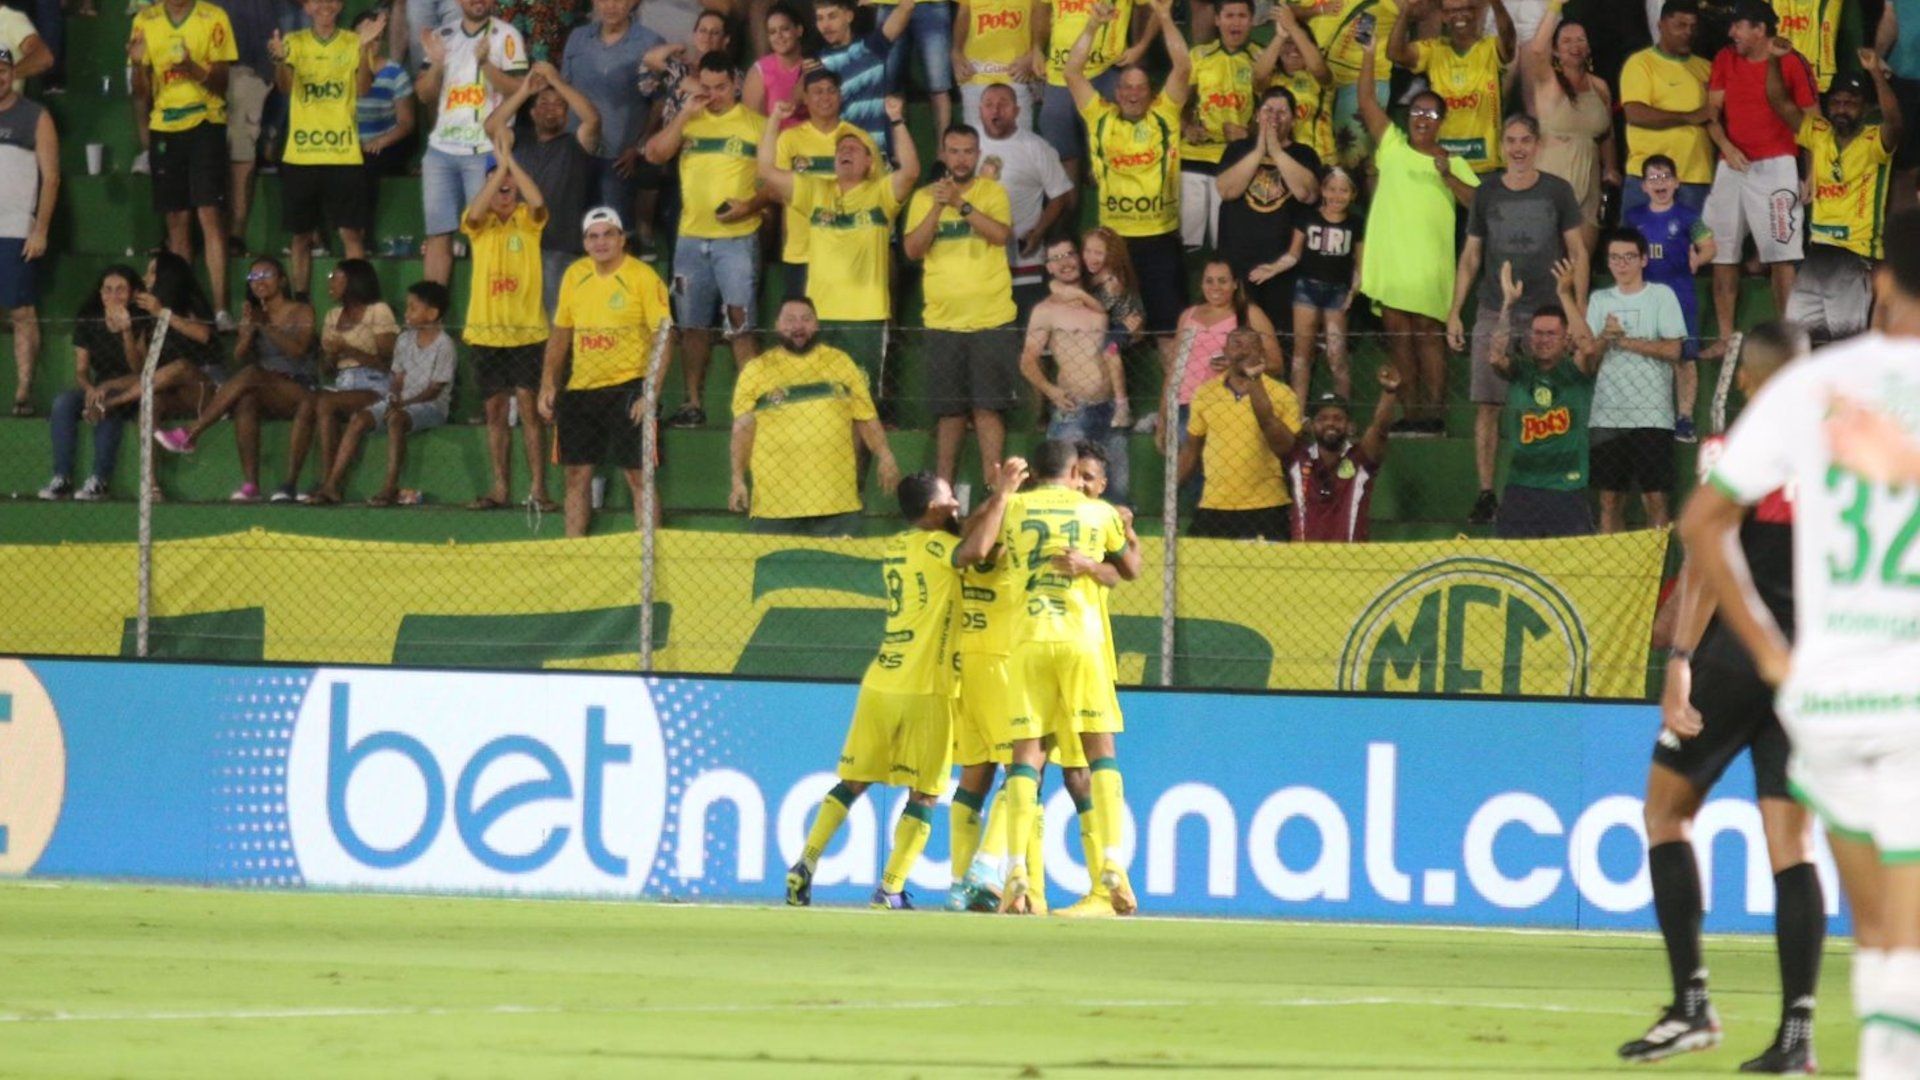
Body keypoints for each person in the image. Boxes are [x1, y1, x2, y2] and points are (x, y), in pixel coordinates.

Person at [1678, 205, 1920, 1080]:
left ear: (1879, 282)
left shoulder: (1814, 386)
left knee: (1881, 934)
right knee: (1906, 935)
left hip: (1834, 694)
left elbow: (1702, 525)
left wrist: (1771, 655)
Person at [1620, 321, 1822, 1072]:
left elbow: (1710, 559)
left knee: (1665, 814)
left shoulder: (1738, 449)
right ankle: (1797, 1035)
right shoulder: (1844, 456)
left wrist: (1680, 661)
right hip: (1809, 668)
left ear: (1747, 378)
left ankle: (1692, 1005)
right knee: (1792, 845)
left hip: (1736, 659)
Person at [784, 464, 1019, 910]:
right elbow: (975, 548)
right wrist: (1004, 496)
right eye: (950, 498)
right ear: (933, 508)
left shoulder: (900, 544)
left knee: (853, 782)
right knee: (925, 794)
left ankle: (805, 863)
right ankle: (890, 888)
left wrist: (993, 500)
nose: (957, 504)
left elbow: (962, 533)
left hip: (880, 682)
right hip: (926, 687)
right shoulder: (941, 548)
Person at [992, 439, 1141, 915]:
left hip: (1029, 639)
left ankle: (1017, 869)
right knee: (1100, 753)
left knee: (1025, 758)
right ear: (1075, 471)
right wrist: (1116, 540)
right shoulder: (1099, 514)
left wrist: (1001, 492)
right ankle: (1112, 861)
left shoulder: (1014, 507)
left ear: (1035, 472)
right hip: (1082, 642)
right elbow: (1129, 569)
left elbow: (981, 549)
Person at [1445, 113, 1584, 525]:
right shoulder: (1486, 192)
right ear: (1502, 145)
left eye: (1525, 140)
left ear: (1537, 144)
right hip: (1495, 308)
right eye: (1511, 140)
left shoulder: (1558, 190)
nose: (1518, 148)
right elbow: (1471, 256)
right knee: (1488, 405)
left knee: (1550, 401)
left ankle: (1554, 488)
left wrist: (1578, 313)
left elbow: (1578, 251)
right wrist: (1455, 311)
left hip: (1548, 312)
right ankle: (1487, 493)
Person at [756, 96, 920, 403]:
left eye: (854, 149)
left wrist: (897, 120)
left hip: (866, 316)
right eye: (840, 149)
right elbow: (766, 170)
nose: (845, 151)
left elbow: (910, 171)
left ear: (870, 162)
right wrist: (775, 119)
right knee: (817, 398)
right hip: (819, 315)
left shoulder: (881, 194)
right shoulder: (815, 191)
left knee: (860, 400)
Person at [1354, 42, 1477, 435]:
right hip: (1392, 262)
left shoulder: (1453, 161)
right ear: (1408, 118)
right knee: (1399, 338)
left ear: (1442, 121)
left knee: (1428, 334)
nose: (1423, 118)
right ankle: (1411, 416)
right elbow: (1366, 99)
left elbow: (1477, 203)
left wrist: (1447, 176)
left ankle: (1434, 417)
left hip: (1429, 265)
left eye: (1431, 113)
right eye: (1417, 111)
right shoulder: (1391, 143)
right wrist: (1369, 53)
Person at [645, 50, 764, 428]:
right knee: (691, 326)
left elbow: (774, 183)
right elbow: (654, 154)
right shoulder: (689, 120)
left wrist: (750, 205)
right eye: (707, 87)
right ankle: (692, 403)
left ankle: (751, 406)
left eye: (721, 87)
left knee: (740, 325)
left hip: (737, 240)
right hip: (690, 239)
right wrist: (683, 116)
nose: (714, 95)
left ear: (736, 84)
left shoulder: (756, 124)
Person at [539, 206, 673, 537]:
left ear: (622, 239)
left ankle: (648, 554)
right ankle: (574, 553)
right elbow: (561, 333)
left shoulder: (643, 277)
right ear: (585, 243)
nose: (600, 242)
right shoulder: (575, 275)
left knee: (639, 477)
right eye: (593, 236)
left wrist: (650, 392)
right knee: (575, 476)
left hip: (629, 385)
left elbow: (664, 336)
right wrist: (548, 383)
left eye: (608, 235)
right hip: (581, 389)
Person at [1066, 0, 1190, 343]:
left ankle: (1171, 383)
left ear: (1150, 93)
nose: (1133, 93)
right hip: (1114, 241)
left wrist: (1163, 16)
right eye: (1127, 87)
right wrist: (1092, 25)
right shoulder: (1100, 117)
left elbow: (1182, 66)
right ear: (1116, 93)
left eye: (1140, 87)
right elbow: (1072, 73)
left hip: (1160, 237)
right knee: (1108, 332)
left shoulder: (1164, 115)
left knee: (1168, 332)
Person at [728, 296, 904, 536]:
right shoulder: (756, 370)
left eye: (806, 319)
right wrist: (737, 478)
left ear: (817, 324)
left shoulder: (841, 363)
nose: (798, 326)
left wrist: (885, 455)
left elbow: (865, 417)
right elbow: (743, 429)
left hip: (837, 504)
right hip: (775, 506)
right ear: (777, 325)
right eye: (790, 320)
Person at [904, 122, 1019, 486]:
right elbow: (912, 249)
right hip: (943, 322)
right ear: (943, 154)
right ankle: (943, 495)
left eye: (968, 151)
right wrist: (939, 207)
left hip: (991, 318)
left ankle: (995, 490)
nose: (961, 159)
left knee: (989, 409)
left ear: (978, 154)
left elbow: (1000, 235)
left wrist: (960, 204)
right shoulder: (923, 198)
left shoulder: (993, 192)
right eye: (954, 151)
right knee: (949, 413)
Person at [152, 258, 319, 503]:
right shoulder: (254, 313)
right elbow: (239, 356)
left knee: (252, 374)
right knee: (246, 401)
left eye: (266, 274)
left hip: (300, 386)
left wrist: (265, 325)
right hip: (267, 386)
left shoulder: (302, 310)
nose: (259, 281)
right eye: (253, 277)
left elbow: (298, 350)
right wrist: (248, 332)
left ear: (282, 280)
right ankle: (251, 485)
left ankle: (192, 432)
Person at [1704, 3, 1814, 367]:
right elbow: (1711, 114)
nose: (1731, 33)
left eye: (1738, 26)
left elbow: (1814, 122)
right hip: (1732, 165)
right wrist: (1725, 146)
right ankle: (1724, 338)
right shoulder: (1725, 58)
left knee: (1782, 257)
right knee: (1723, 253)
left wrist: (1811, 173)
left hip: (1778, 166)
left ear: (1760, 29)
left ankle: (1788, 342)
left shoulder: (1791, 62)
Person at [127, 0, 237, 329]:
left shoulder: (213, 16)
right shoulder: (145, 20)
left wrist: (191, 67)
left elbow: (221, 82)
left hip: (205, 122)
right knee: (176, 221)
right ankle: (183, 308)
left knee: (209, 214)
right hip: (164, 126)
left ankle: (221, 309)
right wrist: (138, 65)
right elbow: (141, 92)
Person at [461, 131, 554, 512]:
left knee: (531, 412)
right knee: (495, 412)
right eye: (497, 181)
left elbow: (538, 201)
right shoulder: (478, 224)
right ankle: (500, 488)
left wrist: (508, 161)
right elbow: (474, 212)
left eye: (509, 181)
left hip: (527, 332)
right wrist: (499, 169)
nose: (504, 186)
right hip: (486, 333)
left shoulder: (527, 220)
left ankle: (538, 490)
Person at [1781, 58, 1901, 344]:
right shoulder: (1819, 134)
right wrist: (1773, 60)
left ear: (1866, 108)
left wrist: (1876, 74)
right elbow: (1781, 104)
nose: (1842, 109)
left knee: (1847, 346)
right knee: (1798, 342)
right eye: (1836, 102)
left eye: (1850, 103)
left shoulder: (1875, 142)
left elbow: (1895, 121)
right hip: (1817, 254)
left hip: (1854, 255)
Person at [270, 0, 382, 298]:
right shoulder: (293, 42)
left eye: (332, 0)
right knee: (301, 237)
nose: (325, 5)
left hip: (343, 154)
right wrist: (280, 60)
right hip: (301, 155)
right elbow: (285, 87)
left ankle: (358, 302)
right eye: (318, 0)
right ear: (307, 7)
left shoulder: (353, 41)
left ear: (340, 5)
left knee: (351, 234)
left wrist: (363, 49)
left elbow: (363, 89)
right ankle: (301, 302)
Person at [309, 280, 457, 506]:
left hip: (431, 406)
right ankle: (331, 486)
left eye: (413, 308)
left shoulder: (444, 345)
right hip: (400, 402)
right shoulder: (405, 339)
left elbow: (434, 390)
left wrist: (403, 404)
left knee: (396, 420)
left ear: (432, 313)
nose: (406, 313)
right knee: (359, 419)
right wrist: (395, 397)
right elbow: (397, 378)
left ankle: (390, 487)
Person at [416, 0, 529, 285]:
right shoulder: (443, 35)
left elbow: (520, 90)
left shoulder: (507, 35)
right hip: (441, 149)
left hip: (485, 150)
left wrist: (486, 65)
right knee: (437, 234)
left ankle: (486, 310)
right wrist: (436, 65)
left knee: (486, 232)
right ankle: (433, 308)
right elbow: (424, 94)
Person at [1486, 259, 1599, 539]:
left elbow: (1588, 346)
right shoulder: (1521, 370)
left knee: (1570, 560)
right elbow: (1496, 356)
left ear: (1565, 339)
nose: (1543, 339)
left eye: (1551, 334)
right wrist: (1508, 305)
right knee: (1513, 559)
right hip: (1521, 485)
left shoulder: (1575, 372)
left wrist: (1564, 294)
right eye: (1537, 333)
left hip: (1567, 486)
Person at [1586, 228, 1688, 533]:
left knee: (1655, 499)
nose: (1621, 264)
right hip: (1606, 414)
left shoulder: (1661, 296)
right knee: (1608, 501)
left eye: (1629, 257)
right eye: (1615, 258)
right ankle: (1611, 562)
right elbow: (1588, 362)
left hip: (1653, 415)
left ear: (1643, 259)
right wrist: (1604, 338)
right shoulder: (1599, 299)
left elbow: (1674, 350)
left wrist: (1623, 341)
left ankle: (1655, 561)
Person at [485, 60, 602, 313]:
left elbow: (592, 119)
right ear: (532, 112)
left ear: (567, 114)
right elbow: (491, 127)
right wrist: (524, 91)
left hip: (560, 247)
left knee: (554, 320)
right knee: (517, 319)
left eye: (559, 105)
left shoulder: (577, 143)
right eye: (544, 103)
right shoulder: (518, 138)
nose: (551, 109)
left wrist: (556, 80)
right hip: (517, 245)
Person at [1021, 236, 1130, 504]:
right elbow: (1027, 360)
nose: (1064, 262)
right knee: (1061, 492)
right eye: (1055, 258)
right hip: (1073, 410)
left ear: (1079, 257)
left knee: (1114, 493)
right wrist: (1051, 391)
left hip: (1111, 409)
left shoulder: (1103, 299)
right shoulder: (1046, 310)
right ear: (1048, 267)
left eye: (1069, 254)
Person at [1179, 326, 1303, 539]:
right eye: (1237, 344)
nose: (1244, 351)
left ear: (1262, 353)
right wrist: (1170, 493)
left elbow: (1288, 449)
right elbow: (1191, 451)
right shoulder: (1205, 393)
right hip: (1214, 503)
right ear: (1225, 351)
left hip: (1268, 503)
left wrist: (1256, 385)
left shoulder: (1283, 394)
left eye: (1251, 345)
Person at [1216, 85, 1321, 336]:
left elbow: (1306, 194)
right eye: (1268, 110)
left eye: (1282, 112)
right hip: (1238, 262)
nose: (1274, 116)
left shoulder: (1304, 154)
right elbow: (1227, 190)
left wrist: (1276, 151)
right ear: (1256, 115)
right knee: (1239, 335)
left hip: (1282, 266)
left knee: (1280, 338)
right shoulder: (1238, 149)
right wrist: (1259, 151)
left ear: (1293, 120)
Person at [39, 267, 151, 501]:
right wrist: (90, 388)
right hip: (99, 387)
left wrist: (126, 331)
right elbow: (81, 370)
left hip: (132, 390)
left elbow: (139, 371)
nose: (113, 295)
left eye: (120, 290)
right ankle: (62, 477)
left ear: (131, 294)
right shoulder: (89, 319)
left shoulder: (141, 320)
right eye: (108, 290)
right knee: (63, 403)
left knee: (107, 406)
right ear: (100, 293)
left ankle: (100, 480)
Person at [1254, 163, 1356, 406]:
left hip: (1337, 293)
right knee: (1302, 356)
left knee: (1336, 356)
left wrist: (1354, 291)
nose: (1337, 196)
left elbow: (1359, 264)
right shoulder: (1308, 218)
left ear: (1353, 194)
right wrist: (1273, 268)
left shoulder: (1355, 223)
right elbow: (1293, 255)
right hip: (1306, 291)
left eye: (1343, 190)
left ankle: (1343, 411)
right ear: (1323, 190)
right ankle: (1297, 413)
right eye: (1332, 189)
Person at [771, 70, 879, 298]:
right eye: (817, 92)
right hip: (802, 251)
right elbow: (779, 191)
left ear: (840, 95)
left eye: (831, 91)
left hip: (848, 249)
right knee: (800, 318)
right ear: (805, 98)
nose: (825, 97)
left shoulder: (860, 139)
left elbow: (875, 190)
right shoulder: (789, 139)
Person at [1522, 5, 1617, 255]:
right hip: (1551, 181)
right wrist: (1554, 7)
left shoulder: (1600, 87)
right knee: (1549, 264)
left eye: (1580, 39)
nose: (1575, 46)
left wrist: (1610, 168)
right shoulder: (1548, 81)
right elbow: (1536, 50)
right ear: (1555, 49)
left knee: (1582, 260)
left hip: (1589, 182)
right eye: (1566, 41)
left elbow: (1607, 135)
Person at [302, 259, 398, 503]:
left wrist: (348, 349)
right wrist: (332, 355)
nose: (330, 283)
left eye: (336, 277)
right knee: (314, 402)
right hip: (342, 383)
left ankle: (330, 484)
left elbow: (389, 362)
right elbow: (327, 369)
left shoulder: (378, 310)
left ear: (354, 281)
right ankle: (323, 482)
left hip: (375, 383)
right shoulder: (332, 315)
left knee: (326, 403)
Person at [560, 0, 658, 233]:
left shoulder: (650, 42)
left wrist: (639, 147)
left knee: (615, 232)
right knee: (573, 230)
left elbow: (660, 101)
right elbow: (564, 89)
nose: (610, 6)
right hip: (576, 153)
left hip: (619, 159)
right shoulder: (578, 37)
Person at [975, 83, 1074, 313]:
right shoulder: (968, 145)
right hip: (979, 264)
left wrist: (1039, 232)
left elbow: (1060, 196)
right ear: (979, 110)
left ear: (1017, 111)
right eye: (989, 105)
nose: (996, 110)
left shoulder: (1036, 147)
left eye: (1003, 104)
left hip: (1023, 262)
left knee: (1026, 331)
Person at [1387, 0, 1514, 177]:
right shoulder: (1433, 49)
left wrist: (1496, 3)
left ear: (1476, 13)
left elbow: (1509, 41)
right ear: (1443, 17)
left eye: (1465, 9)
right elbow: (1395, 53)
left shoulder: (1490, 47)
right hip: (1444, 164)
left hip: (1486, 165)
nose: (1459, 15)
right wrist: (1406, 11)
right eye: (1451, 11)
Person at [1033, 0, 1149, 191]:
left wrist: (1141, 46)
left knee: (1112, 155)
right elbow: (1042, 7)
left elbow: (1152, 8)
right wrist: (1037, 48)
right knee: (1063, 161)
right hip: (1059, 74)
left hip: (1106, 70)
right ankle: (1070, 206)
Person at [1624, 154, 1715, 386]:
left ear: (1676, 182)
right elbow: (1621, 251)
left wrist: (1698, 260)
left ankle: (1685, 409)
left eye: (1665, 177)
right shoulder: (1633, 218)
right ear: (1644, 186)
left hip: (1680, 296)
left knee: (1685, 359)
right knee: (1645, 354)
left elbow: (1709, 247)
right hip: (1644, 297)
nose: (1660, 183)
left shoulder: (1689, 217)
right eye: (1653, 178)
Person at [1621, 0, 1715, 216]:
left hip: (1695, 178)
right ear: (1660, 25)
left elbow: (1715, 117)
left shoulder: (1707, 68)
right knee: (1636, 238)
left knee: (1694, 239)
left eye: (1692, 26)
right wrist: (1690, 117)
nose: (1688, 32)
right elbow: (1635, 113)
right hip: (1646, 177)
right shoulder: (1641, 63)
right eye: (1680, 25)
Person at [1179, 0, 1260, 251]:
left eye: (1242, 16)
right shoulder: (1199, 56)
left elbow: (1272, 110)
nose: (1235, 22)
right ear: (1217, 20)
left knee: (1223, 239)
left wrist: (1249, 133)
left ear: (1252, 20)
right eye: (1229, 15)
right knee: (1186, 239)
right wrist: (1187, 128)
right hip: (1195, 154)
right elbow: (1177, 104)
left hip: (1236, 157)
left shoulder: (1261, 58)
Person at [0, 44, 54, 419]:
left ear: (12, 73)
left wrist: (41, 229)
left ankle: (23, 391)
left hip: (15, 227)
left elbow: (51, 177)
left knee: (22, 311)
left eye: (3, 71)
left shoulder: (35, 115)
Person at [1286, 366, 1399, 542]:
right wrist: (1254, 380)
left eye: (1338, 418)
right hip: (1304, 555)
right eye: (1322, 419)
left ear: (1350, 426)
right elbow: (1267, 422)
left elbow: (1380, 428)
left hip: (1351, 554)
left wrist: (1389, 392)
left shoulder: (1361, 457)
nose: (1330, 423)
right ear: (1311, 426)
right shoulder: (1299, 457)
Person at [1300, 0, 1400, 166]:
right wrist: (1318, 10)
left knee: (1354, 158)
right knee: (1317, 148)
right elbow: (1287, 13)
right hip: (1320, 75)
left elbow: (1421, 10)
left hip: (1364, 79)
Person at [352, 8, 418, 250]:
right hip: (351, 144)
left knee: (367, 164)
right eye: (365, 36)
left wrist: (381, 141)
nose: (371, 42)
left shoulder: (395, 73)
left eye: (377, 37)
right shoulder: (340, 70)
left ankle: (364, 237)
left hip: (389, 142)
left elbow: (406, 123)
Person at [813, 0, 916, 154]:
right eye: (820, 19)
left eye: (832, 16)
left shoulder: (871, 47)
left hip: (880, 155)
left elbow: (907, 6)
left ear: (849, 16)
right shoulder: (816, 63)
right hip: (843, 157)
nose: (825, 25)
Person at [1250, 4, 1332, 165]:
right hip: (1274, 161)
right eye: (1288, 43)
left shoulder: (1319, 77)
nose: (1294, 49)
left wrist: (1293, 27)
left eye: (1299, 44)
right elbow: (1258, 76)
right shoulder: (1271, 78)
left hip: (1319, 160)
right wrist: (1281, 36)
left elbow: (1317, 67)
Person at [952, 0, 1036, 131]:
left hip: (1016, 73)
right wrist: (956, 51)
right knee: (976, 140)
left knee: (1018, 140)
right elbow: (964, 13)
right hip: (976, 73)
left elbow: (1042, 14)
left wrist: (1034, 53)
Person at [1876, 0, 1920, 218]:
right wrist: (1876, 56)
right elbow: (1891, 16)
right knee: (1902, 160)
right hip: (1904, 76)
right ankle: (1905, 228)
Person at [742, 1, 803, 124]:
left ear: (799, 30)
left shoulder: (813, 64)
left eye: (785, 29)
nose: (779, 36)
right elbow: (752, 123)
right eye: (772, 32)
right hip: (773, 135)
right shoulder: (760, 71)